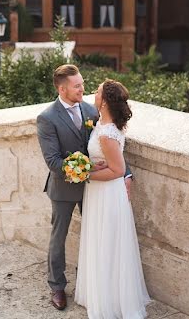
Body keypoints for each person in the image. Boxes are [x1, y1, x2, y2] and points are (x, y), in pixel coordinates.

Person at [35, 64, 133, 312]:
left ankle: (89, 283)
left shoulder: (92, 110)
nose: (83, 89)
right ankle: (57, 286)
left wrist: (127, 173)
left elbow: (112, 144)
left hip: (95, 190)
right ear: (62, 88)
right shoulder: (47, 118)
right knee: (59, 237)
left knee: (95, 235)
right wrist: (84, 171)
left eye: (82, 83)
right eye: (77, 85)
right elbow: (53, 161)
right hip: (65, 187)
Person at [74, 79, 149, 318]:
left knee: (107, 245)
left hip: (107, 194)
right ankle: (102, 295)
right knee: (102, 242)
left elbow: (117, 170)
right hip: (100, 192)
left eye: (96, 92)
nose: (93, 94)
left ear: (104, 101)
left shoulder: (107, 133)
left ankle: (110, 302)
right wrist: (94, 168)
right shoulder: (103, 124)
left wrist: (86, 174)